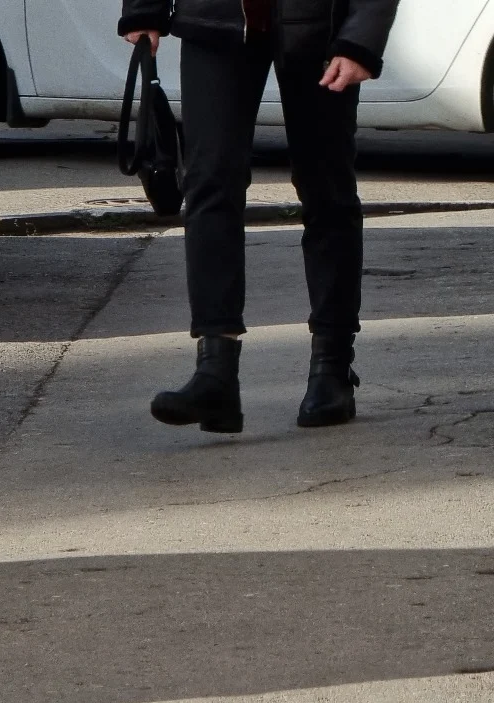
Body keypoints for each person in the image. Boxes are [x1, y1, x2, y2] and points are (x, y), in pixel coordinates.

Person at [118, 0, 398, 433]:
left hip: (319, 27)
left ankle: (332, 367)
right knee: (209, 184)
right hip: (213, 17)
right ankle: (216, 371)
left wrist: (361, 37)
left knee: (327, 190)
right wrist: (143, 8)